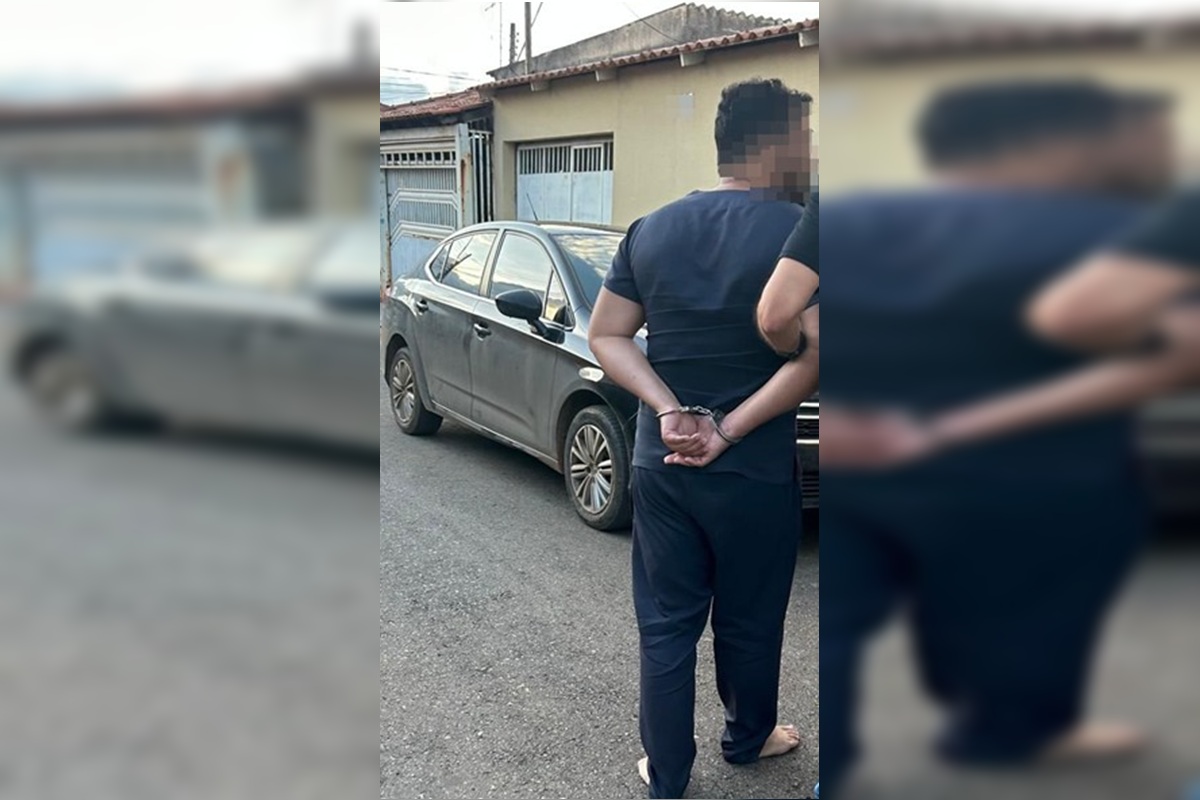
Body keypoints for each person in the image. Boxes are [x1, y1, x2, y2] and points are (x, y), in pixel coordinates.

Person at [818, 79, 1177, 798]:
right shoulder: (1110, 228)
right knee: (1029, 619)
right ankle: (1003, 734)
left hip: (861, 460)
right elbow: (1172, 354)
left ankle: (834, 774)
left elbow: (780, 313)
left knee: (842, 626)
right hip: (1038, 474)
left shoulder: (849, 216)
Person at [587, 78, 817, 799]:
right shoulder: (801, 236)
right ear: (777, 145)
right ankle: (749, 739)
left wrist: (665, 407)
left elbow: (607, 334)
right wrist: (729, 427)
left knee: (666, 624)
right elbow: (816, 356)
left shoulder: (650, 229)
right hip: (754, 469)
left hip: (663, 463)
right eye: (805, 141)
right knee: (750, 619)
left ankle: (667, 774)